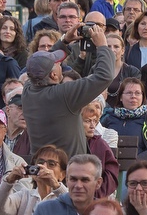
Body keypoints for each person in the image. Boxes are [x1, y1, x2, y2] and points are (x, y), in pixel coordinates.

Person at [22, 24, 114, 159]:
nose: (61, 64)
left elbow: (39, 64)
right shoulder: (63, 95)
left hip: (42, 167)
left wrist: (65, 40)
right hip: (68, 172)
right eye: (59, 64)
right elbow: (105, 76)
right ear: (53, 75)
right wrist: (103, 46)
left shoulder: (28, 90)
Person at [101, 77, 147, 165]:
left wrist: (133, 163)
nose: (133, 96)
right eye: (129, 93)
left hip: (139, 169)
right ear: (120, 97)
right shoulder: (108, 117)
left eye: (137, 93)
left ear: (143, 97)